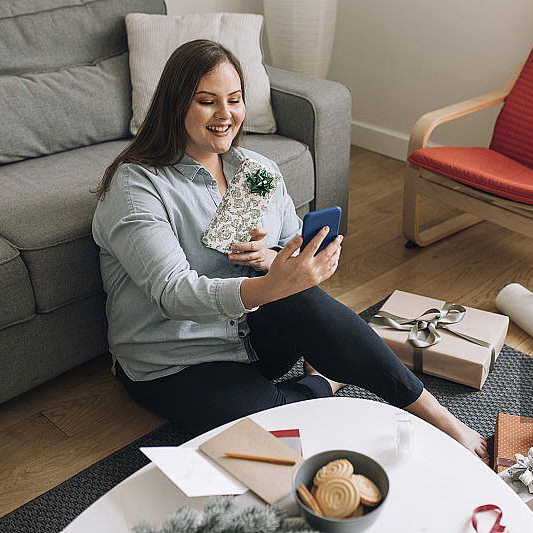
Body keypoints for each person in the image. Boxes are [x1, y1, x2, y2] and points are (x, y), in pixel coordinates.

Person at [92, 39, 488, 462]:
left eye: (235, 100)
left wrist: (274, 262)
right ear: (175, 105)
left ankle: (437, 415)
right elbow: (173, 293)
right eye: (207, 102)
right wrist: (270, 287)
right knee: (267, 434)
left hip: (251, 337)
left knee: (304, 300)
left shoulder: (255, 172)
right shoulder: (138, 186)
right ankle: (325, 381)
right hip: (176, 358)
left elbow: (288, 248)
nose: (225, 114)